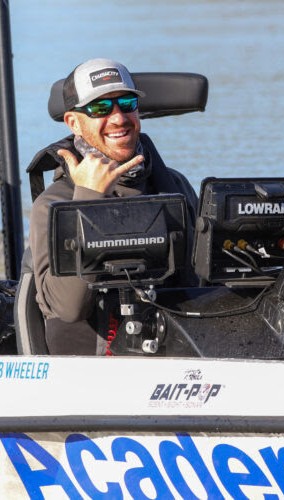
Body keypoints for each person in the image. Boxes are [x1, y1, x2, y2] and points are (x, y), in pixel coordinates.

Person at [28, 58, 198, 355]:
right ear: (73, 122)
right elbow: (68, 308)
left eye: (127, 103)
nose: (118, 118)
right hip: (92, 374)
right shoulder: (53, 204)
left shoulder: (175, 185)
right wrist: (89, 197)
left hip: (177, 359)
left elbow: (204, 281)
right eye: (100, 108)